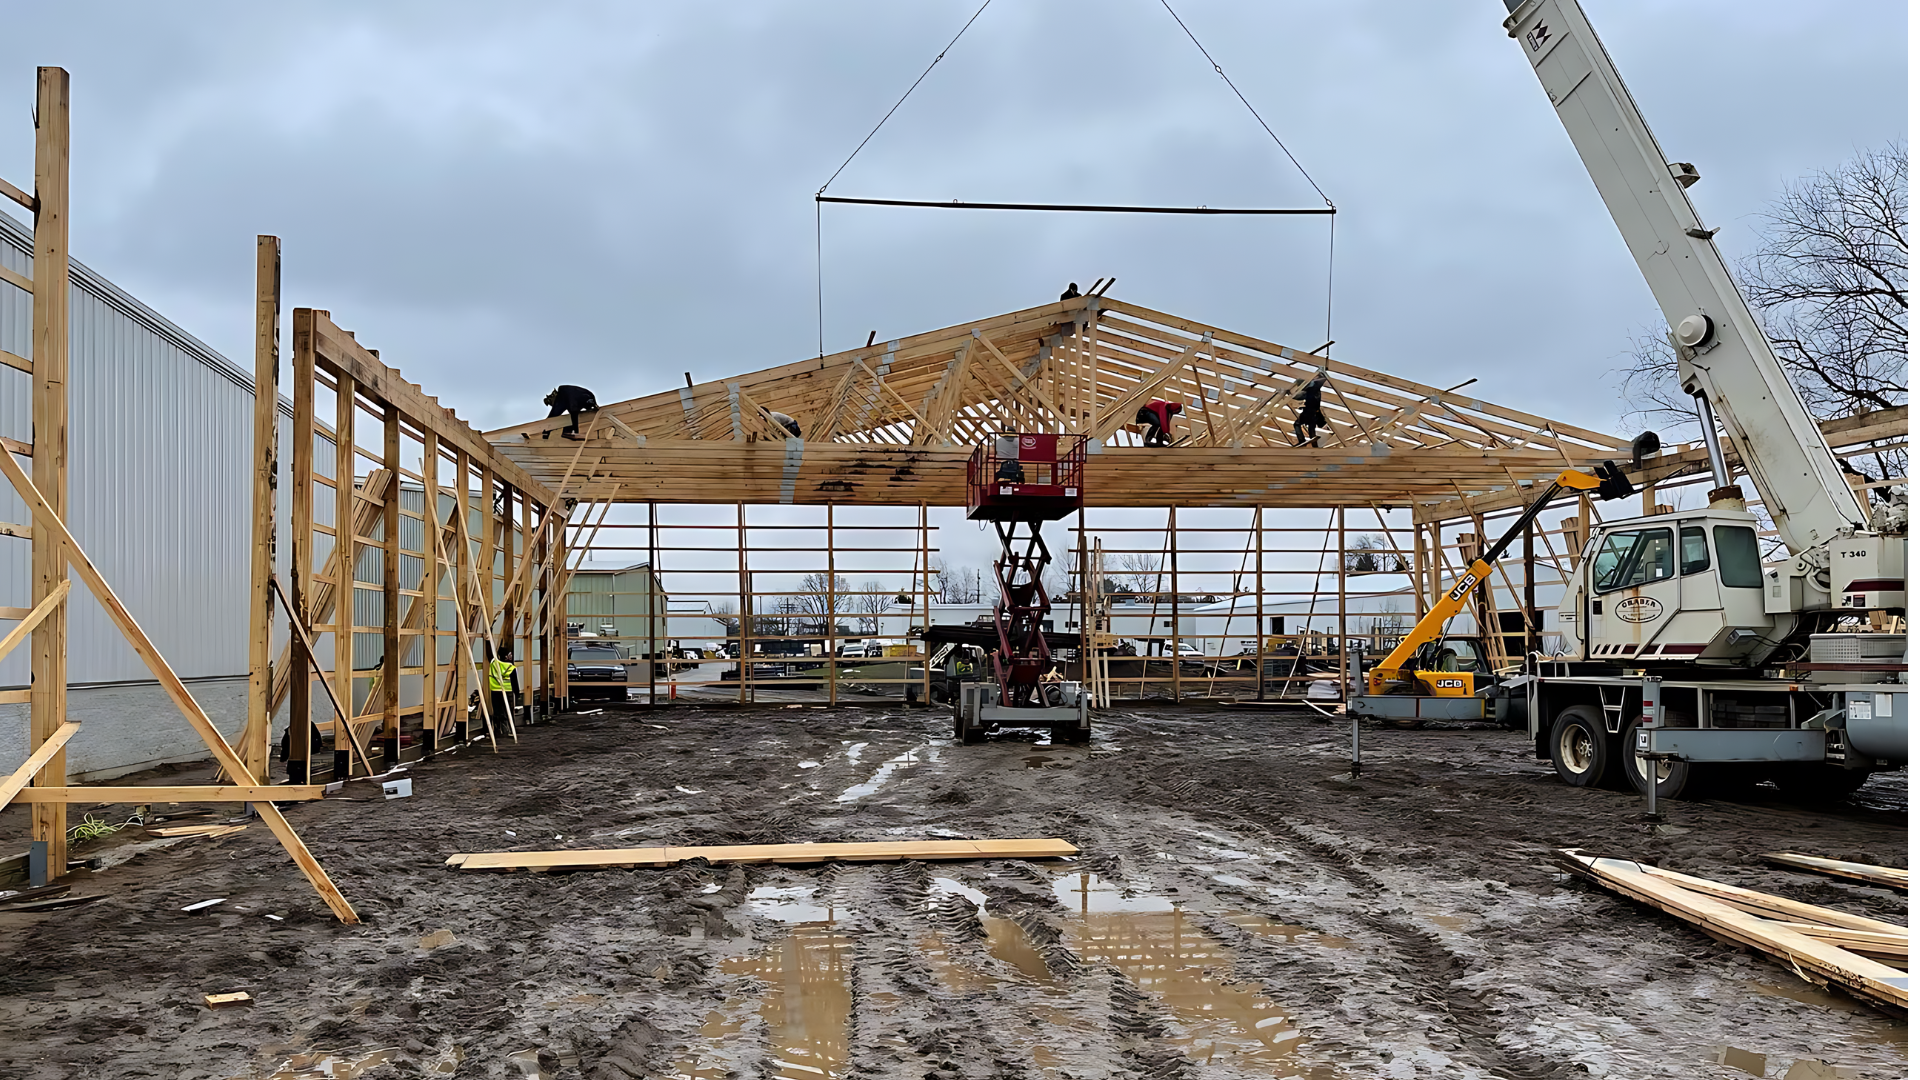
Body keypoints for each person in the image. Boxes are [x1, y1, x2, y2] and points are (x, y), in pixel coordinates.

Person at [487, 644, 520, 734]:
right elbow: (514, 682)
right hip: (507, 691)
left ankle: (497, 729)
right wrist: (517, 693)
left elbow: (489, 654)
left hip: (495, 691)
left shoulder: (494, 663)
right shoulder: (510, 667)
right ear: (506, 657)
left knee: (497, 711)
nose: (511, 656)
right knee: (508, 710)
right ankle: (510, 729)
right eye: (510, 655)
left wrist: (487, 642)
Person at [1293, 374, 1328, 447]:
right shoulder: (1314, 389)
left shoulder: (1311, 389)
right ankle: (1315, 446)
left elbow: (1300, 396)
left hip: (1309, 412)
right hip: (1315, 412)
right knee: (1311, 429)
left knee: (1297, 424)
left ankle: (1301, 440)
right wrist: (1320, 375)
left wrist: (1290, 394)